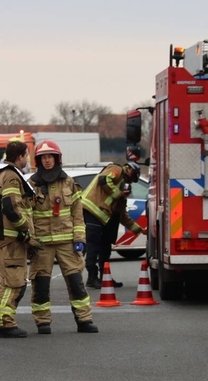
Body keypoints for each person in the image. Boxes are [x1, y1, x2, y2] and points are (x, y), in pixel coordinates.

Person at [27, 140, 98, 334]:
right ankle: (42, 322)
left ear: (57, 159)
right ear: (38, 161)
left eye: (50, 157)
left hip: (67, 243)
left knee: (76, 283)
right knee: (40, 284)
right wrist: (30, 241)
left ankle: (84, 320)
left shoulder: (69, 183)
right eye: (43, 157)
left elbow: (77, 214)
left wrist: (79, 239)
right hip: (42, 244)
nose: (47, 161)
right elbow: (27, 215)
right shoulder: (32, 185)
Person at [0, 140, 37, 338]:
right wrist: (25, 230)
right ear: (20, 157)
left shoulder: (0, 173)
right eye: (26, 155)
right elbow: (11, 207)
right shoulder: (11, 176)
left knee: (3, 283)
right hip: (11, 241)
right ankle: (5, 323)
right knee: (13, 283)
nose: (27, 159)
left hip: (3, 240)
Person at [81, 159, 146, 290]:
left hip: (101, 218)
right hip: (90, 211)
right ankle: (92, 278)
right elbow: (104, 179)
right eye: (131, 176)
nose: (128, 183)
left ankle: (105, 277)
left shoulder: (121, 197)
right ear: (129, 169)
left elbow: (123, 217)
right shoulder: (117, 169)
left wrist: (139, 230)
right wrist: (119, 193)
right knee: (93, 245)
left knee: (105, 246)